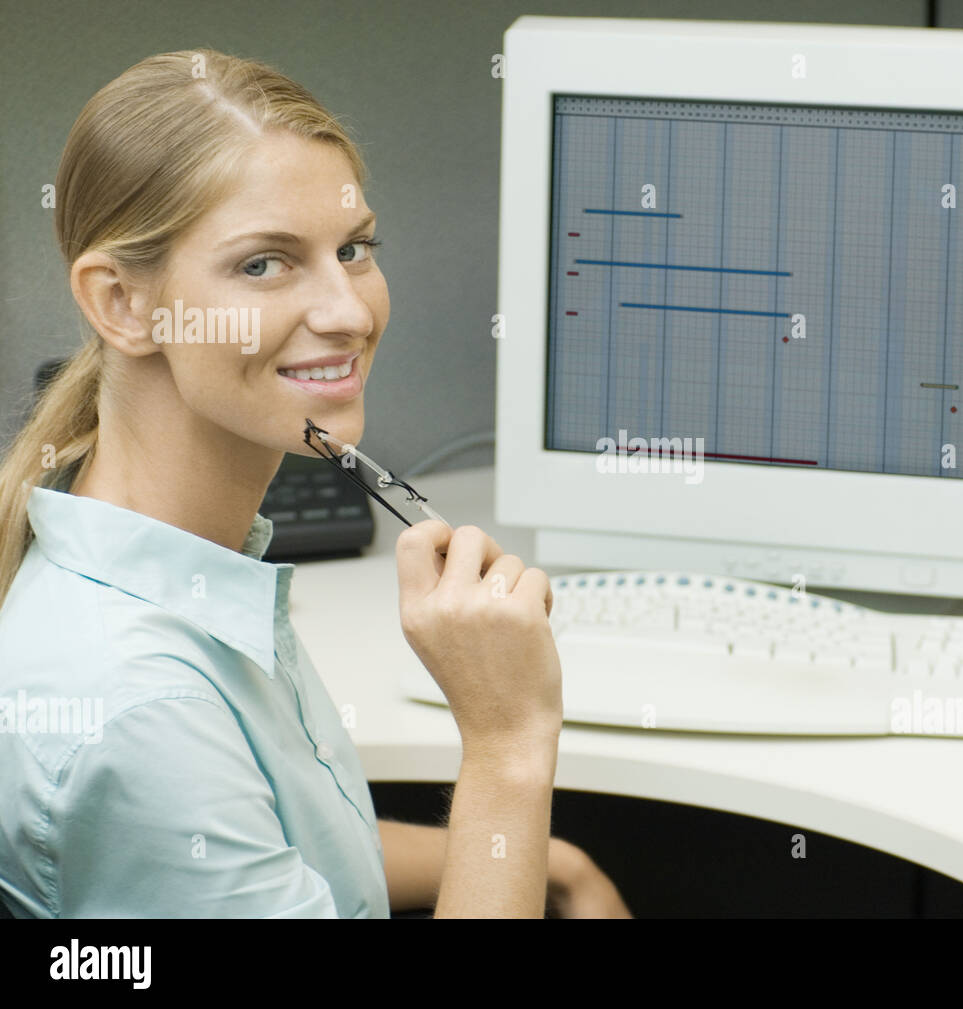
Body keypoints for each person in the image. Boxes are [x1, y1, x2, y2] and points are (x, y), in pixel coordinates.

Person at [0, 48, 630, 919]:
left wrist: (555, 863)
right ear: (121, 304)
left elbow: (273, 840)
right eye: (265, 263)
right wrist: (509, 744)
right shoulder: (144, 710)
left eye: (354, 248)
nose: (348, 311)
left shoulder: (180, 563)